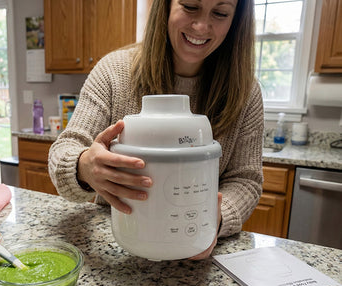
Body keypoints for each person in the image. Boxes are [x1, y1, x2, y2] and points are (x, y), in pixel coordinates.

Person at [48, 0, 263, 259]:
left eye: (220, 13)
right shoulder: (113, 72)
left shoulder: (246, 92)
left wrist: (214, 218)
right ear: (166, 6)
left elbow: (246, 180)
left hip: (195, 241)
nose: (202, 26)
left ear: (235, 20)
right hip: (124, 242)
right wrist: (84, 166)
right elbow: (65, 148)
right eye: (190, 6)